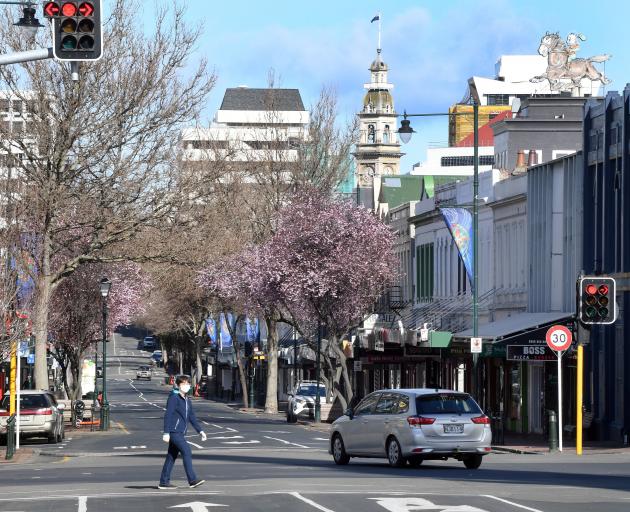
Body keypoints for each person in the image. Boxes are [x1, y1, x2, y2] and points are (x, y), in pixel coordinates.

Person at [158, 375, 207, 489]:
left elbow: (191, 417)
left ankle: (164, 482)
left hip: (180, 432)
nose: (187, 386)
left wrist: (200, 431)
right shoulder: (174, 398)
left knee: (171, 456)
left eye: (188, 384)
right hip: (174, 431)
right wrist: (166, 432)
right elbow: (168, 415)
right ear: (178, 385)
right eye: (184, 384)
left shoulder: (187, 400)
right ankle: (192, 480)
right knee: (186, 451)